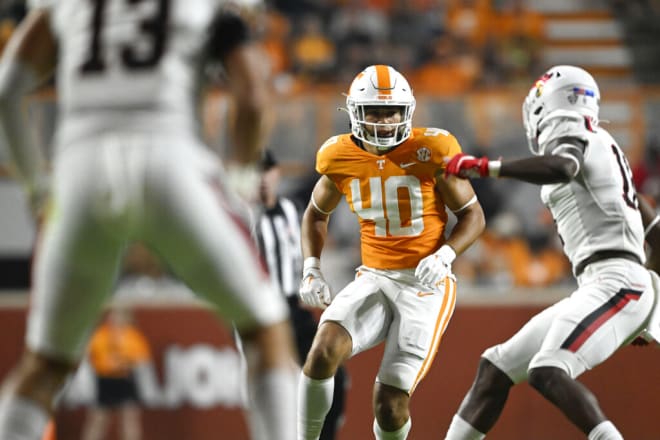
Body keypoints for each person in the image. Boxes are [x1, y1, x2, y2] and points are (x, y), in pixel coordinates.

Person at [0, 1, 298, 440]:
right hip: (170, 159)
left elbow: (8, 89)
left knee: (44, 366)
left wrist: (36, 186)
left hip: (80, 171)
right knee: (265, 330)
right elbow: (253, 96)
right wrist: (238, 175)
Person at [443, 64, 659, 440]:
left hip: (616, 282)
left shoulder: (574, 137)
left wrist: (486, 167)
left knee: (548, 368)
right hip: (611, 284)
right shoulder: (606, 147)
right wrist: (647, 307)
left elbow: (563, 166)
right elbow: (655, 229)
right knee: (495, 367)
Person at [297, 64, 485, 440]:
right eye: (375, 112)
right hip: (375, 276)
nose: (384, 121)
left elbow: (473, 216)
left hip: (425, 284)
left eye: (392, 111)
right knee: (322, 352)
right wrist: (311, 267)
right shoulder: (339, 155)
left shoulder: (432, 150)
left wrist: (445, 254)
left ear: (407, 111)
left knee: (389, 401)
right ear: (354, 112)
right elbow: (316, 213)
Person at [253, 149, 347, 439]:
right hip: (261, 310)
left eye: (267, 171)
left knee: (331, 368)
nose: (263, 180)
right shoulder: (245, 215)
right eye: (257, 173)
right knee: (273, 388)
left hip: (292, 308)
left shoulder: (292, 209)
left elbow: (322, 179)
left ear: (277, 173)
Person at [81, 307, 152, 440]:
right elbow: (89, 357)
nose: (116, 320)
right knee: (98, 419)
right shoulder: (101, 335)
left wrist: (125, 364)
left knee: (129, 419)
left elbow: (142, 362)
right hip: (105, 380)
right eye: (114, 316)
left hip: (125, 380)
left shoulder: (133, 336)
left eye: (120, 316)